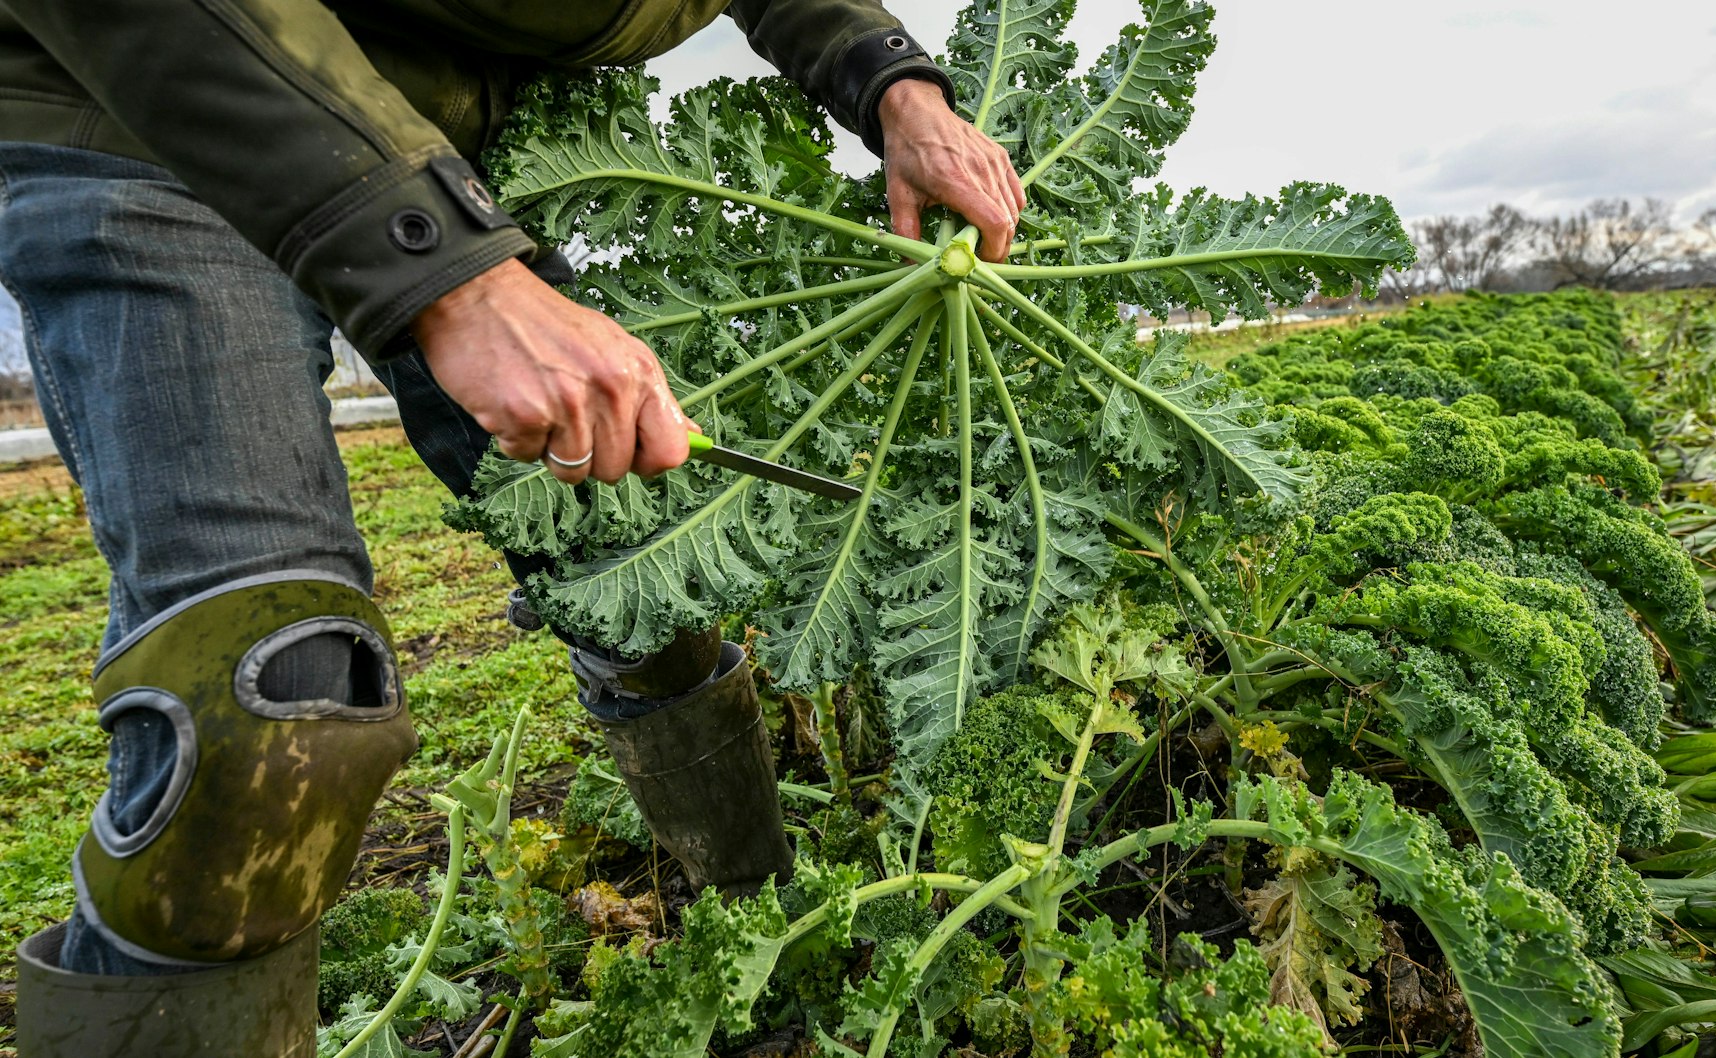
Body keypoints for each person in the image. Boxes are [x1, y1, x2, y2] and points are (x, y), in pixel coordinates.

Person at [0, 1, 1025, 1053]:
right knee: (269, 695)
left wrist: (893, 83)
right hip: (150, 108)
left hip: (423, 153)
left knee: (641, 579)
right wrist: (445, 272)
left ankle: (758, 948)